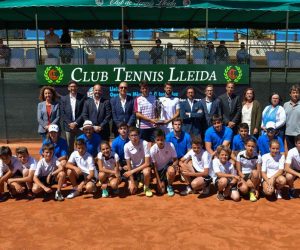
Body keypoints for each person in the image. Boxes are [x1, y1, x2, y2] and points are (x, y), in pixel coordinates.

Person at [123, 127, 152, 197]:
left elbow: (147, 163)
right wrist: (132, 182)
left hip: (143, 168)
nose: (134, 137)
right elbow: (128, 164)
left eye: (135, 135)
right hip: (133, 169)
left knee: (147, 171)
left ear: (139, 135)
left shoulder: (145, 143)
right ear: (129, 137)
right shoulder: (126, 146)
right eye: (132, 136)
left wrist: (131, 172)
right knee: (132, 191)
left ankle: (146, 187)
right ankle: (139, 181)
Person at [150, 129, 178, 197]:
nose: (160, 142)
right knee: (161, 191)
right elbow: (155, 167)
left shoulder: (170, 145)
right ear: (155, 140)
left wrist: (173, 167)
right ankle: (164, 182)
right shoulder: (152, 150)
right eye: (158, 140)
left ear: (165, 138)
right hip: (159, 171)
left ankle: (170, 185)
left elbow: (175, 160)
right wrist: (159, 182)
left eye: (162, 139)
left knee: (171, 170)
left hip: (168, 166)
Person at [60, 80, 85, 154]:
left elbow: (84, 112)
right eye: (71, 87)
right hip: (68, 127)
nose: (73, 88)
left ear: (77, 87)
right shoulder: (63, 99)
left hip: (79, 126)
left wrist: (76, 123)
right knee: (69, 146)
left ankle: (80, 161)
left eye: (74, 86)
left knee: (80, 145)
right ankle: (70, 162)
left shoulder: (82, 98)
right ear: (68, 88)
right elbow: (62, 113)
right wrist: (70, 123)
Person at [283, 85, 300, 150]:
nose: (295, 94)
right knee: (291, 153)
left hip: (298, 134)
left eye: (297, 92)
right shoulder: (285, 105)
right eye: (293, 92)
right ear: (290, 94)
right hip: (288, 133)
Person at [284, 134, 300, 199]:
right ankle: (291, 188)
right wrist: (298, 174)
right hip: (294, 169)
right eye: (299, 143)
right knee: (288, 176)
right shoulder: (291, 151)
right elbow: (286, 168)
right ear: (295, 144)